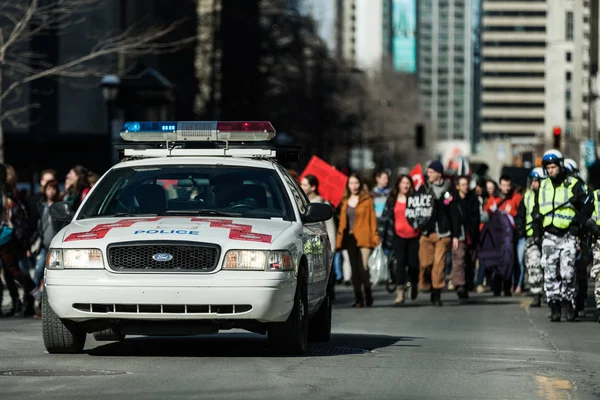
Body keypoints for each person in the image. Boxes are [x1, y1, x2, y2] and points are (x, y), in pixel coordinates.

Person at [534, 150, 593, 322]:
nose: (551, 170)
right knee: (550, 272)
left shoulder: (573, 184)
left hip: (568, 235)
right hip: (549, 235)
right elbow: (538, 207)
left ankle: (568, 301)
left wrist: (578, 222)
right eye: (548, 168)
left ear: (560, 166)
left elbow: (588, 204)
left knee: (567, 272)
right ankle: (554, 304)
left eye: (554, 167)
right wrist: (537, 220)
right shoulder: (543, 185)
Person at [418, 161, 460, 306]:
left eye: (431, 171)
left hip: (443, 233)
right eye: (427, 172)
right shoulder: (423, 189)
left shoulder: (449, 190)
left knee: (439, 265)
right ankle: (428, 284)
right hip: (426, 232)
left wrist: (455, 235)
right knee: (425, 263)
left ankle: (437, 293)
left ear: (438, 173)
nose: (428, 174)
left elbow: (454, 213)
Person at [336, 174, 380, 307]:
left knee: (363, 268)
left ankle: (368, 294)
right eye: (351, 183)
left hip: (364, 237)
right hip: (349, 239)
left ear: (360, 184)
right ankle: (358, 298)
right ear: (347, 185)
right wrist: (339, 241)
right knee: (354, 270)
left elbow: (373, 220)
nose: (354, 186)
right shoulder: (344, 201)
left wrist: (376, 237)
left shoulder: (367, 200)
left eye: (356, 183)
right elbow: (342, 223)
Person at [378, 174, 420, 305]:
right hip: (397, 236)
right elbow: (384, 218)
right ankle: (400, 292)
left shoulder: (416, 199)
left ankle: (414, 284)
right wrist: (380, 235)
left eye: (408, 183)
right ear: (398, 185)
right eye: (403, 183)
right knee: (400, 264)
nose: (406, 186)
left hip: (414, 236)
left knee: (413, 264)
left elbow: (423, 215)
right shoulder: (392, 199)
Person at [484, 174, 522, 296]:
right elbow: (486, 215)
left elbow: (520, 215)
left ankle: (507, 287)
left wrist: (511, 213)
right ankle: (496, 287)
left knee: (508, 261)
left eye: (508, 185)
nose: (506, 188)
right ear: (500, 185)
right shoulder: (493, 199)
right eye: (503, 185)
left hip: (510, 236)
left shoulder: (516, 198)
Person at [516, 167, 545, 307]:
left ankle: (551, 293)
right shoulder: (527, 196)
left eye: (536, 181)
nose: (533, 184)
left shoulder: (548, 195)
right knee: (533, 264)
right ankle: (536, 293)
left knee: (548, 265)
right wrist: (521, 230)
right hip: (531, 236)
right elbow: (520, 215)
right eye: (532, 181)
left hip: (547, 235)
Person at [450, 175, 480, 299]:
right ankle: (459, 285)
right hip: (458, 235)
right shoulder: (453, 200)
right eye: (462, 184)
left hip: (471, 235)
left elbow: (476, 216)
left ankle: (467, 284)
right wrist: (454, 235)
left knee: (469, 261)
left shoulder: (473, 199)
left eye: (466, 184)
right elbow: (445, 207)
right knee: (459, 259)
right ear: (457, 186)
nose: (465, 187)